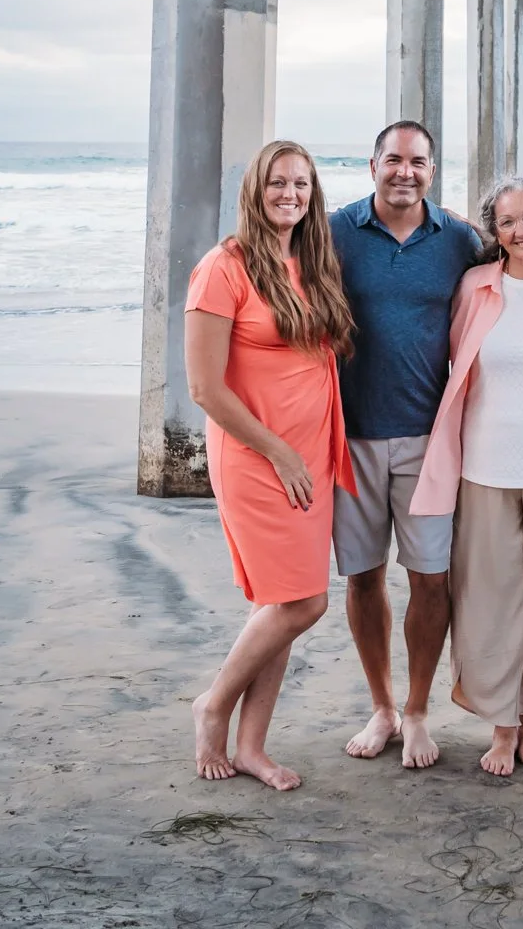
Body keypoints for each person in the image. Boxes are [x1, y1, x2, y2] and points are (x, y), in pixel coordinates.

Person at [184, 140, 356, 790]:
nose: (290, 194)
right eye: (278, 183)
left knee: (280, 599)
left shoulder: (310, 262)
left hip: (310, 456)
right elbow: (204, 387)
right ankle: (214, 705)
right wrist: (277, 450)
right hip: (260, 457)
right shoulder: (222, 268)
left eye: (302, 185)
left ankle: (252, 746)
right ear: (254, 191)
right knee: (302, 601)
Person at [411, 179, 523, 776]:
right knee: (490, 599)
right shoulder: (474, 287)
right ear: (494, 230)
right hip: (482, 469)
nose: (522, 230)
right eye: (508, 220)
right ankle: (502, 726)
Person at [329, 120, 482, 768]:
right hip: (350, 437)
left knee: (430, 579)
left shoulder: (459, 239)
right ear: (372, 166)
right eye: (393, 160)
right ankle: (382, 707)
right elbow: (270, 262)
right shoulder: (334, 231)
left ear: (432, 169)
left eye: (418, 162)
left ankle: (418, 711)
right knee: (362, 577)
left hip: (429, 439)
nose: (405, 172)